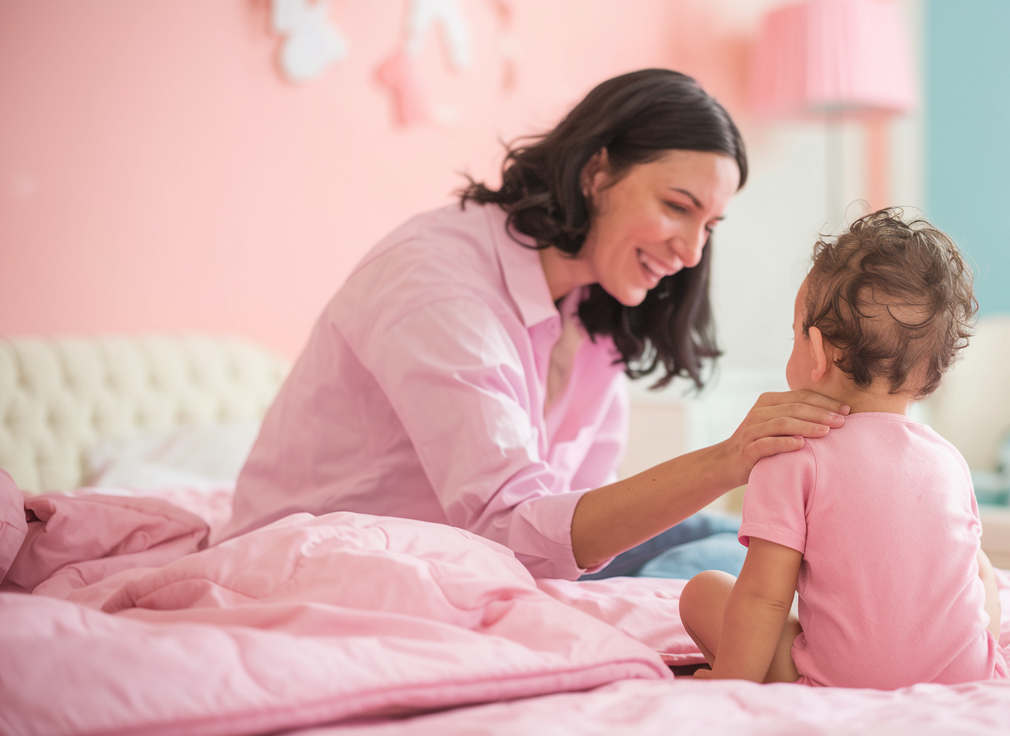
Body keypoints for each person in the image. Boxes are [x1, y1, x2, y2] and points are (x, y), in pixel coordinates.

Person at [217, 69, 851, 580]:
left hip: (499, 556)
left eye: (708, 227)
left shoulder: (591, 304)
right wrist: (725, 461)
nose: (690, 253)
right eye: (676, 207)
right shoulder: (436, 284)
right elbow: (511, 527)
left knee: (739, 544)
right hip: (344, 561)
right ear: (597, 172)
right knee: (722, 566)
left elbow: (573, 512)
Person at [678, 209, 1006, 688]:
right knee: (982, 571)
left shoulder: (793, 453)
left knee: (703, 592)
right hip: (960, 679)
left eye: (795, 334)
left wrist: (730, 686)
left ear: (815, 350)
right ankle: (980, 662)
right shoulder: (949, 462)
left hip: (840, 684)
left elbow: (764, 599)